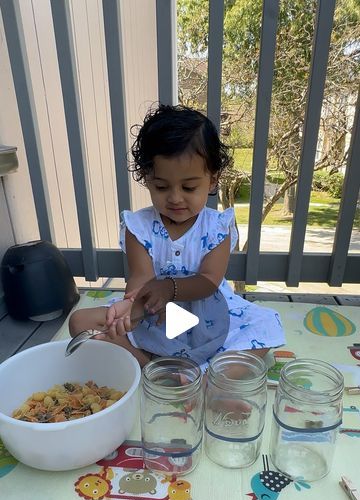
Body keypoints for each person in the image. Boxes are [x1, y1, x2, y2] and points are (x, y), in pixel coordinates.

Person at [69, 104, 284, 370]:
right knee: (80, 322)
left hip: (208, 314)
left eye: (189, 187)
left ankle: (208, 375)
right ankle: (152, 366)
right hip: (156, 314)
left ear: (213, 180)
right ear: (146, 178)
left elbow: (209, 281)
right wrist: (132, 306)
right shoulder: (139, 226)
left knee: (265, 326)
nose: (174, 197)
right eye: (161, 187)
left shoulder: (217, 226)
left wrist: (169, 288)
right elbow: (141, 276)